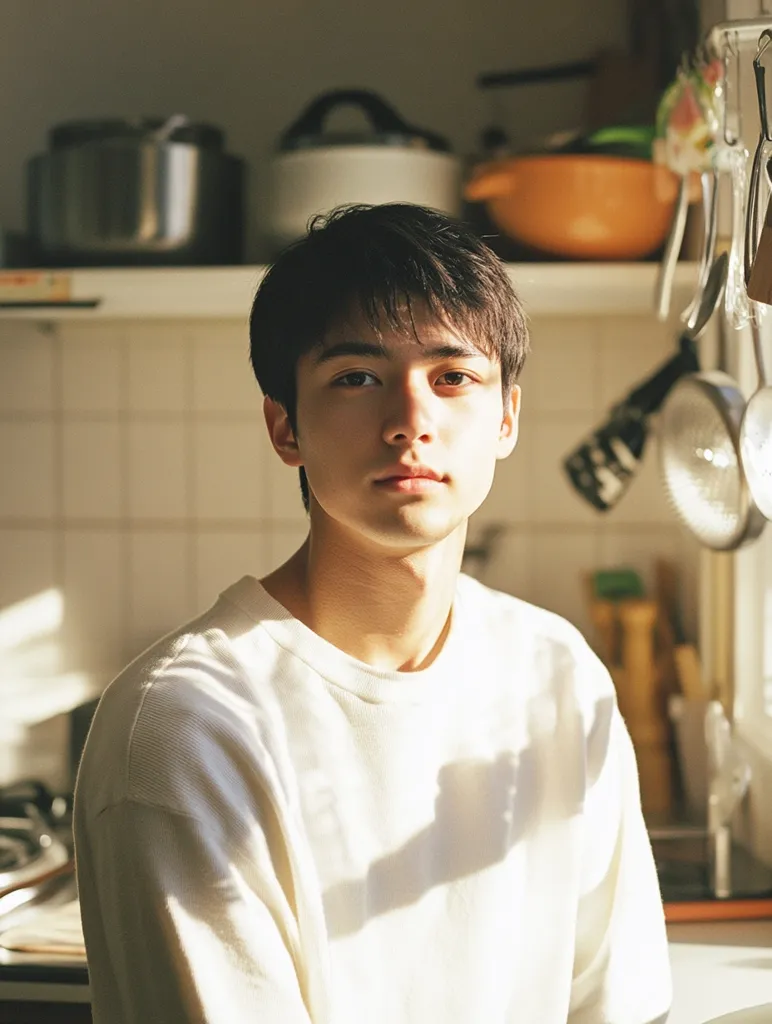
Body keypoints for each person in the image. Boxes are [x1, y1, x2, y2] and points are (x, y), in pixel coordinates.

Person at [74, 203, 672, 1024]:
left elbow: (621, 1007)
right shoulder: (185, 730)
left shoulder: (557, 673)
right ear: (285, 427)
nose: (411, 423)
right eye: (357, 378)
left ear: (506, 420)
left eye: (453, 376)